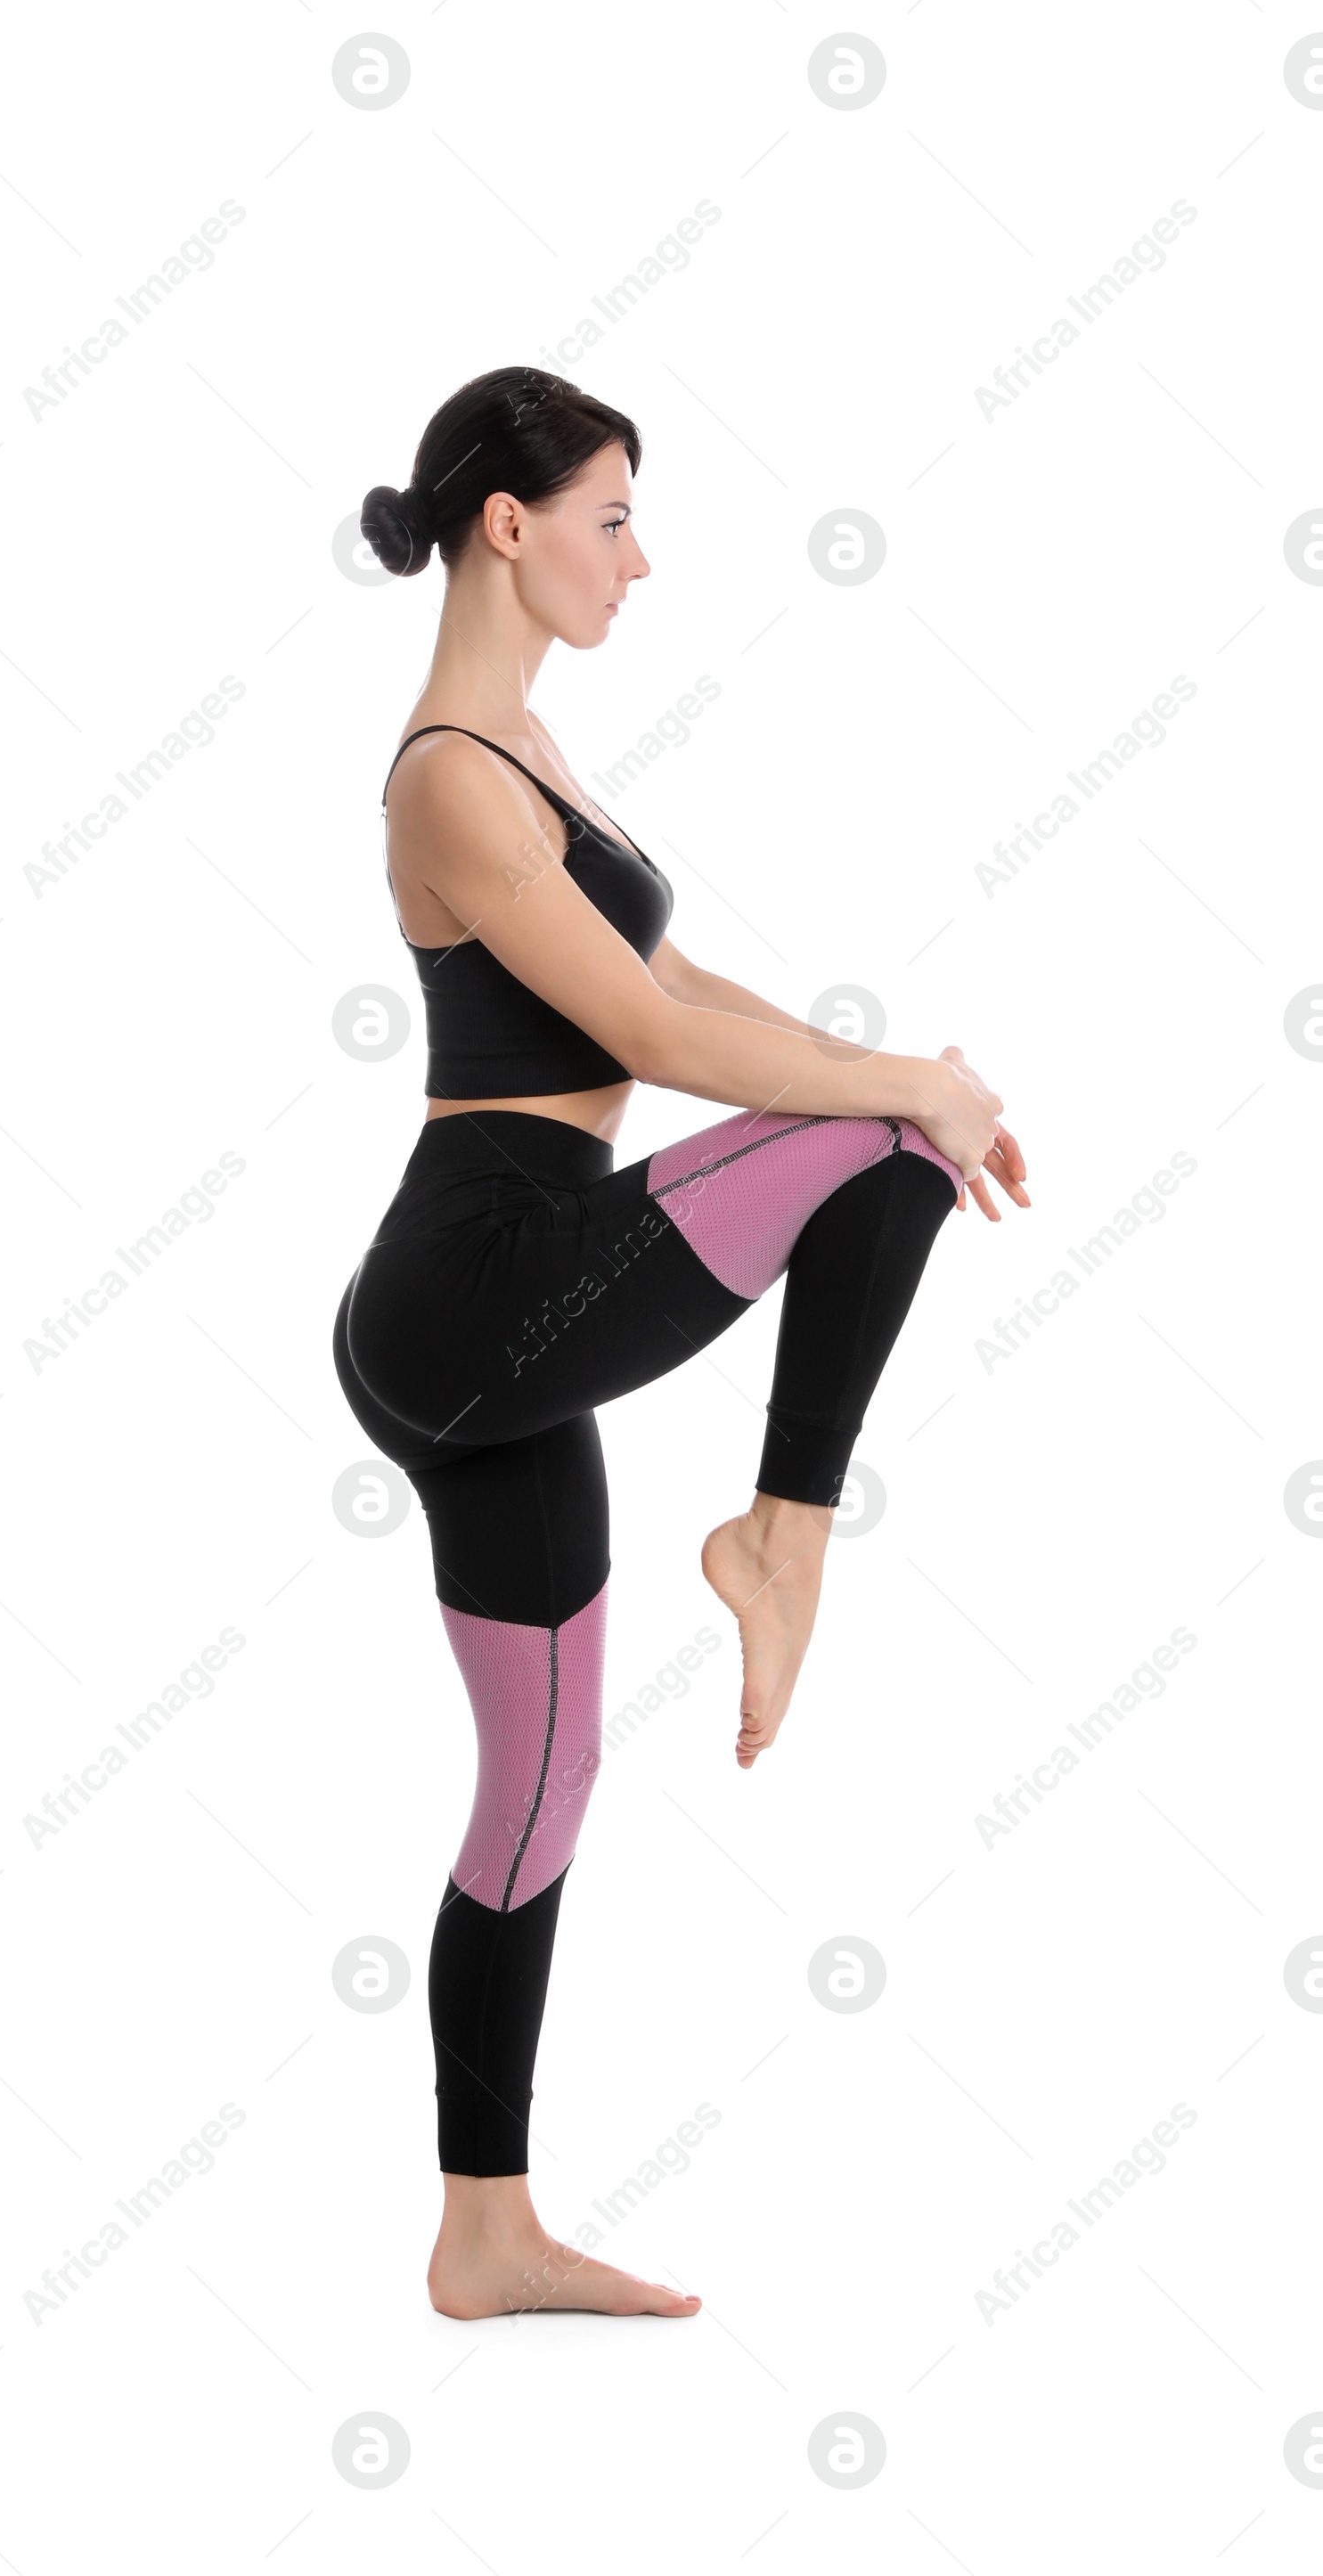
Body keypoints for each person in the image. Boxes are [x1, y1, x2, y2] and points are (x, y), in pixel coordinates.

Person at [332, 365, 1028, 2325]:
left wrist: (900, 1069)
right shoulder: (448, 775)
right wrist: (906, 1089)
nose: (637, 556)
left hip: (488, 1316)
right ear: (507, 523)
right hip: (484, 1279)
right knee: (879, 1136)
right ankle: (781, 1536)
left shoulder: (526, 746)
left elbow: (669, 981)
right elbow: (646, 1048)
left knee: (537, 1791)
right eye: (613, 515)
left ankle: (483, 2226)